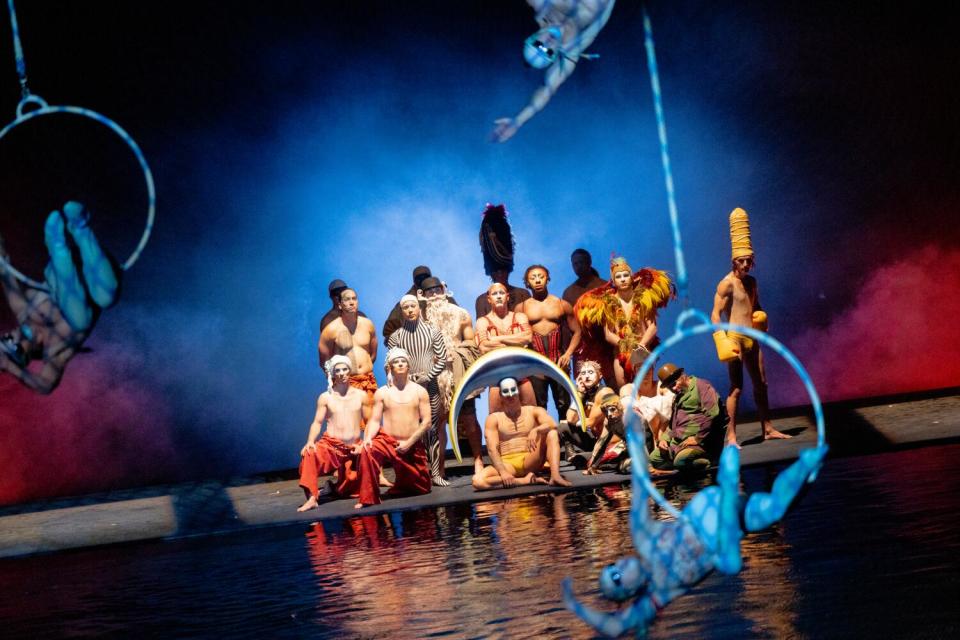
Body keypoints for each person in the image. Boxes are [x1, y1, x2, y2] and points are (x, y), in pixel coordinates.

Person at [563, 424, 827, 638]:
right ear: (627, 592)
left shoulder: (645, 540)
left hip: (706, 514)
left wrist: (635, 439)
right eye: (617, 576)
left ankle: (729, 484)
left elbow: (641, 488)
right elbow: (617, 626)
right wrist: (576, 606)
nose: (619, 563)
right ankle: (803, 464)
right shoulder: (659, 593)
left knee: (731, 559)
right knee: (773, 511)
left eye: (612, 566)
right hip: (728, 526)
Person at [0, 202, 119, 394]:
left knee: (84, 310)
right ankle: (79, 228)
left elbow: (3, 267)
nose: (11, 333)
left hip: (72, 264)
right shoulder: (56, 351)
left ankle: (59, 247)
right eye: (10, 340)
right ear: (22, 354)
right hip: (99, 274)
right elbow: (45, 386)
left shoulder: (22, 309)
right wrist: (9, 366)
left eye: (5, 335)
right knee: (105, 300)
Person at [711, 207, 790, 447]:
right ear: (734, 261)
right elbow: (714, 314)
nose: (746, 265)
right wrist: (722, 339)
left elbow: (756, 306)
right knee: (736, 388)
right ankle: (731, 436)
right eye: (742, 261)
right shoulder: (726, 284)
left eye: (749, 261)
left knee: (761, 384)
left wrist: (761, 318)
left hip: (751, 337)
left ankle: (767, 428)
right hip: (734, 337)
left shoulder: (752, 281)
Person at [492, 0, 617, 142]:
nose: (547, 43)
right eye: (548, 52)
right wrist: (518, 121)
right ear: (554, 56)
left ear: (533, 37)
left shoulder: (542, 7)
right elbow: (547, 90)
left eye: (539, 44)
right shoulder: (573, 48)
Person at [574, 256, 674, 391]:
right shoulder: (608, 302)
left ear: (631, 277)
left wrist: (640, 346)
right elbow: (608, 334)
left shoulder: (643, 297)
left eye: (626, 275)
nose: (622, 279)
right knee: (624, 388)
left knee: (644, 387)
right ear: (613, 281)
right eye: (618, 276)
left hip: (642, 347)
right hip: (620, 350)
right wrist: (626, 346)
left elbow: (652, 327)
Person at [420, 276, 485, 477]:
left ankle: (478, 461)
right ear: (424, 296)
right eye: (430, 292)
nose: (435, 295)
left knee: (469, 418)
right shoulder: (420, 317)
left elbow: (471, 343)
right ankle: (439, 467)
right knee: (438, 421)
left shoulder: (460, 314)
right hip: (434, 376)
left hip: (458, 373)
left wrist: (456, 352)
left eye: (438, 290)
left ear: (444, 290)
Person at [354, 348, 433, 508]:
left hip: (411, 445)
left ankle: (404, 482)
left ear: (409, 365)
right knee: (368, 450)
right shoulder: (382, 393)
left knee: (421, 488)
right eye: (396, 362)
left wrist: (409, 443)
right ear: (390, 367)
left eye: (403, 361)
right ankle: (368, 498)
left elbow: (427, 422)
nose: (400, 364)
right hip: (388, 442)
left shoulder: (420, 391)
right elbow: (375, 420)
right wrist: (367, 439)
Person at [387, 294, 450, 486]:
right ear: (402, 310)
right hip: (406, 389)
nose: (410, 310)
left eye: (413, 306)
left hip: (429, 386)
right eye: (405, 307)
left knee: (431, 429)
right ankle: (413, 474)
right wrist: (399, 379)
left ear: (419, 308)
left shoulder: (432, 332)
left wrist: (428, 375)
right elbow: (389, 363)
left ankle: (436, 474)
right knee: (409, 431)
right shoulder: (395, 337)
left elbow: (443, 359)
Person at [472, 377, 573, 490]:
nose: (510, 395)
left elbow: (553, 424)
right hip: (507, 465)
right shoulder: (493, 419)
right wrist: (503, 472)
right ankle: (524, 481)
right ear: (500, 395)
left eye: (513, 390)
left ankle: (555, 476)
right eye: (505, 391)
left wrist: (536, 430)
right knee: (478, 481)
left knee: (552, 433)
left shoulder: (534, 410)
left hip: (530, 460)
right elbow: (492, 449)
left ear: (518, 391)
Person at [297, 355, 364, 511]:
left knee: (347, 490)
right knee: (309, 454)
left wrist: (366, 442)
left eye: (344, 369)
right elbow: (317, 422)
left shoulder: (361, 395)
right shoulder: (325, 397)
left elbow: (371, 422)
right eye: (337, 370)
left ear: (350, 371)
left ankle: (335, 487)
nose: (341, 373)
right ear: (333, 374)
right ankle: (313, 498)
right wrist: (310, 441)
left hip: (354, 448)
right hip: (332, 446)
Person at [517, 264, 581, 420]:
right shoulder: (521, 308)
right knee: (539, 407)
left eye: (541, 276)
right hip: (535, 364)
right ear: (527, 282)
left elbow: (578, 331)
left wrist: (568, 354)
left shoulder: (561, 304)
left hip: (559, 362)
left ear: (547, 279)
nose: (537, 280)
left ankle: (568, 442)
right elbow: (517, 336)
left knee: (564, 405)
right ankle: (546, 442)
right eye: (533, 278)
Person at [647, 363, 728, 477]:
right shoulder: (678, 397)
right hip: (679, 442)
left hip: (702, 443)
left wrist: (698, 438)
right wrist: (664, 440)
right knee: (654, 459)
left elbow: (713, 414)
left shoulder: (702, 386)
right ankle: (683, 464)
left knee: (681, 461)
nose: (674, 388)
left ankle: (710, 460)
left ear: (682, 375)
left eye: (675, 383)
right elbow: (672, 426)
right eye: (670, 387)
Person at [318, 287, 379, 420]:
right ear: (340, 304)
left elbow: (373, 354)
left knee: (372, 423)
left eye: (354, 299)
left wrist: (364, 369)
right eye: (347, 300)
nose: (352, 302)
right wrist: (339, 381)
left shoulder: (368, 324)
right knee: (346, 426)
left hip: (367, 381)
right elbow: (324, 362)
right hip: (345, 383)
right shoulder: (331, 330)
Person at [475, 282, 537, 410]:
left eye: (501, 293)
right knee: (497, 418)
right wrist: (515, 341)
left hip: (521, 373)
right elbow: (483, 347)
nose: (498, 296)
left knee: (532, 413)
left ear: (507, 297)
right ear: (489, 299)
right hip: (496, 376)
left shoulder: (519, 317)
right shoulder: (482, 322)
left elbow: (527, 338)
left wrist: (498, 338)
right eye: (494, 294)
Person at [474, 204, 530, 318]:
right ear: (491, 272)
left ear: (508, 271)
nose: (500, 274)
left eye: (503, 270)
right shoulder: (482, 300)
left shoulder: (523, 294)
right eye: (496, 271)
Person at [381, 266, 459, 346]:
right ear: (414, 282)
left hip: (448, 338)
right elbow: (389, 332)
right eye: (419, 278)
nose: (422, 280)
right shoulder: (408, 301)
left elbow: (459, 317)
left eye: (425, 277)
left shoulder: (442, 295)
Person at [558, 359, 607, 464]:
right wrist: (579, 392)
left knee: (580, 460)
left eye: (591, 372)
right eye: (583, 373)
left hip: (608, 442)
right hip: (595, 440)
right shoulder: (584, 393)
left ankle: (598, 457)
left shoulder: (603, 393)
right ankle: (587, 455)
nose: (587, 376)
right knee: (563, 427)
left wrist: (572, 422)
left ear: (600, 375)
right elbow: (570, 418)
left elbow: (590, 423)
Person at [581, 389, 630, 475]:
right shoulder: (609, 420)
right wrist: (593, 466)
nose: (609, 414)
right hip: (627, 447)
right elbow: (602, 442)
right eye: (605, 411)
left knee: (624, 467)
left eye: (612, 409)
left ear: (619, 407)